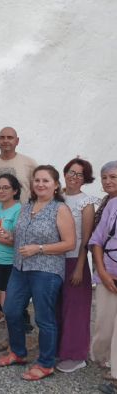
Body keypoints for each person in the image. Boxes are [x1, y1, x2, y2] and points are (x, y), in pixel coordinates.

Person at [0, 165, 76, 381]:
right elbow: (20, 238)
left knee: (44, 318)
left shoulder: (60, 209)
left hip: (46, 271)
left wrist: (38, 249)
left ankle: (46, 363)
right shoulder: (27, 206)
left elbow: (70, 243)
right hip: (20, 268)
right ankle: (18, 353)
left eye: (46, 181)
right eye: (37, 180)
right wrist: (8, 234)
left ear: (56, 185)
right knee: (11, 310)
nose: (40, 184)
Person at [0, 126, 38, 333]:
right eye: (2, 137)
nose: (6, 141)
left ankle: (21, 324)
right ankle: (11, 326)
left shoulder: (29, 163)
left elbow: (39, 187)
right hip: (0, 220)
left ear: (17, 140)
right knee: (3, 286)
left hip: (22, 223)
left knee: (18, 284)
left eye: (10, 137)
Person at [56, 158, 97, 373]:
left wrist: (80, 267)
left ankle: (76, 354)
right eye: (71, 172)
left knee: (75, 309)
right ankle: (59, 349)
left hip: (75, 261)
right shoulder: (57, 196)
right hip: (54, 259)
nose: (73, 177)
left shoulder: (86, 202)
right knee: (57, 307)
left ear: (85, 179)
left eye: (79, 174)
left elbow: (86, 239)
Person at [89, 161, 117, 390]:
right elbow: (96, 241)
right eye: (105, 177)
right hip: (108, 272)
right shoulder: (109, 205)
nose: (108, 181)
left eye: (114, 177)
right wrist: (102, 272)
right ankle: (103, 358)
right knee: (104, 323)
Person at [0, 174, 22, 313]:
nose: (1, 191)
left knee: (10, 298)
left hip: (11, 261)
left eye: (6, 188)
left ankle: (14, 327)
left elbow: (17, 241)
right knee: (0, 293)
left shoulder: (19, 209)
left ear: (15, 191)